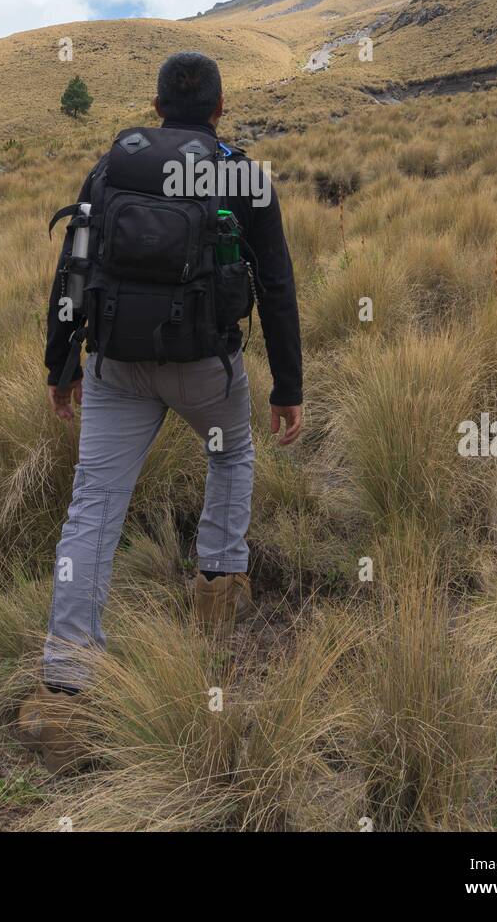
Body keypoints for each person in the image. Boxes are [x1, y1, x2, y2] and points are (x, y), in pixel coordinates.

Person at [19, 51, 302, 770]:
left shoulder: (113, 167)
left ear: (154, 107)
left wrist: (61, 363)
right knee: (231, 454)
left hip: (114, 365)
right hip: (206, 366)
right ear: (220, 107)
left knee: (94, 506)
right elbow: (276, 284)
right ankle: (217, 579)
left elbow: (72, 268)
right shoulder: (243, 175)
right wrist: (287, 387)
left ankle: (66, 682)